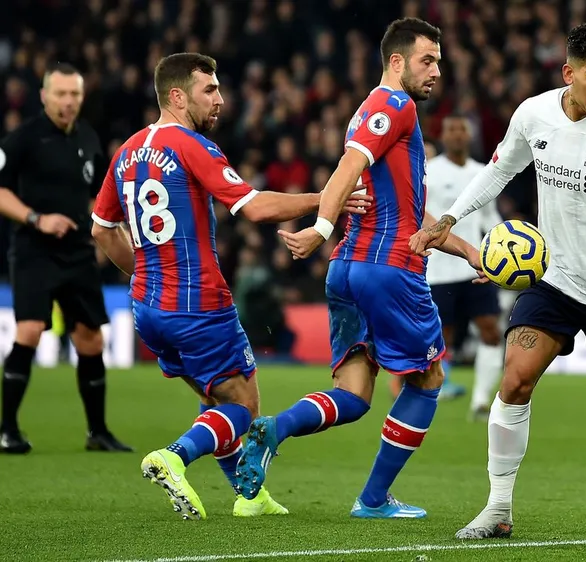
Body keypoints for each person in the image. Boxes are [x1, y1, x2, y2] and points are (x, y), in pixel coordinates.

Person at [411, 23, 586, 540]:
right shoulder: (534, 114)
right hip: (554, 280)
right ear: (568, 73)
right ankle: (498, 508)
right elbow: (498, 171)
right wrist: (449, 219)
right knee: (515, 379)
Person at [89, 52, 371, 520]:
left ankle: (249, 494)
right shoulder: (192, 146)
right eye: (210, 90)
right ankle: (174, 457)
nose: (220, 100)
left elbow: (101, 228)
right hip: (198, 302)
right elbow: (255, 208)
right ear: (177, 96)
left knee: (215, 397)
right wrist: (329, 199)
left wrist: (142, 276)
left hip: (146, 308)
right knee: (243, 404)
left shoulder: (126, 153)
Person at [234, 18, 483, 519]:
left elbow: (408, 210)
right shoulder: (395, 104)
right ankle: (372, 500)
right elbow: (348, 169)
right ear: (397, 62)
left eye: (439, 61)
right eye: (426, 60)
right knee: (429, 380)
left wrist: (469, 252)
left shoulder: (372, 111)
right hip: (390, 270)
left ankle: (275, 429)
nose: (437, 71)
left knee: (354, 394)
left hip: (349, 270)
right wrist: (322, 227)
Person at [0, 63, 130, 454]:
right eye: (60, 94)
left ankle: (97, 432)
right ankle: (7, 430)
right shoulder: (22, 139)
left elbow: (98, 196)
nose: (68, 101)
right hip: (34, 250)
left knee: (90, 339)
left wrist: (108, 229)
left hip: (77, 252)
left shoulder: (88, 137)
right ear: (44, 96)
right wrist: (36, 219)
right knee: (30, 329)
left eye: (74, 94)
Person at [423, 115, 504, 418]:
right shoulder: (429, 172)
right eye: (451, 130)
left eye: (461, 130)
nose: (456, 135)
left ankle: (481, 400)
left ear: (469, 137)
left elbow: (489, 219)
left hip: (475, 268)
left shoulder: (481, 173)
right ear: (443, 136)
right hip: (439, 270)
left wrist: (507, 247)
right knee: (445, 336)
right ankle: (431, 390)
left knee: (490, 331)